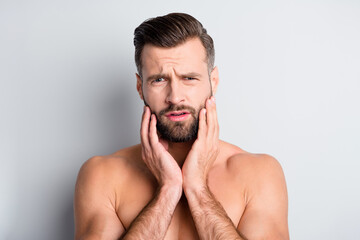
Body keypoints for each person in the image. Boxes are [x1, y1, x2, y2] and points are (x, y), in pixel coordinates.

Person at [74, 12, 289, 240]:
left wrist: (197, 188)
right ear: (140, 87)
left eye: (189, 78)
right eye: (159, 79)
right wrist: (168, 190)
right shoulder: (102, 175)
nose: (175, 97)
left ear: (213, 81)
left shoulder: (259, 174)